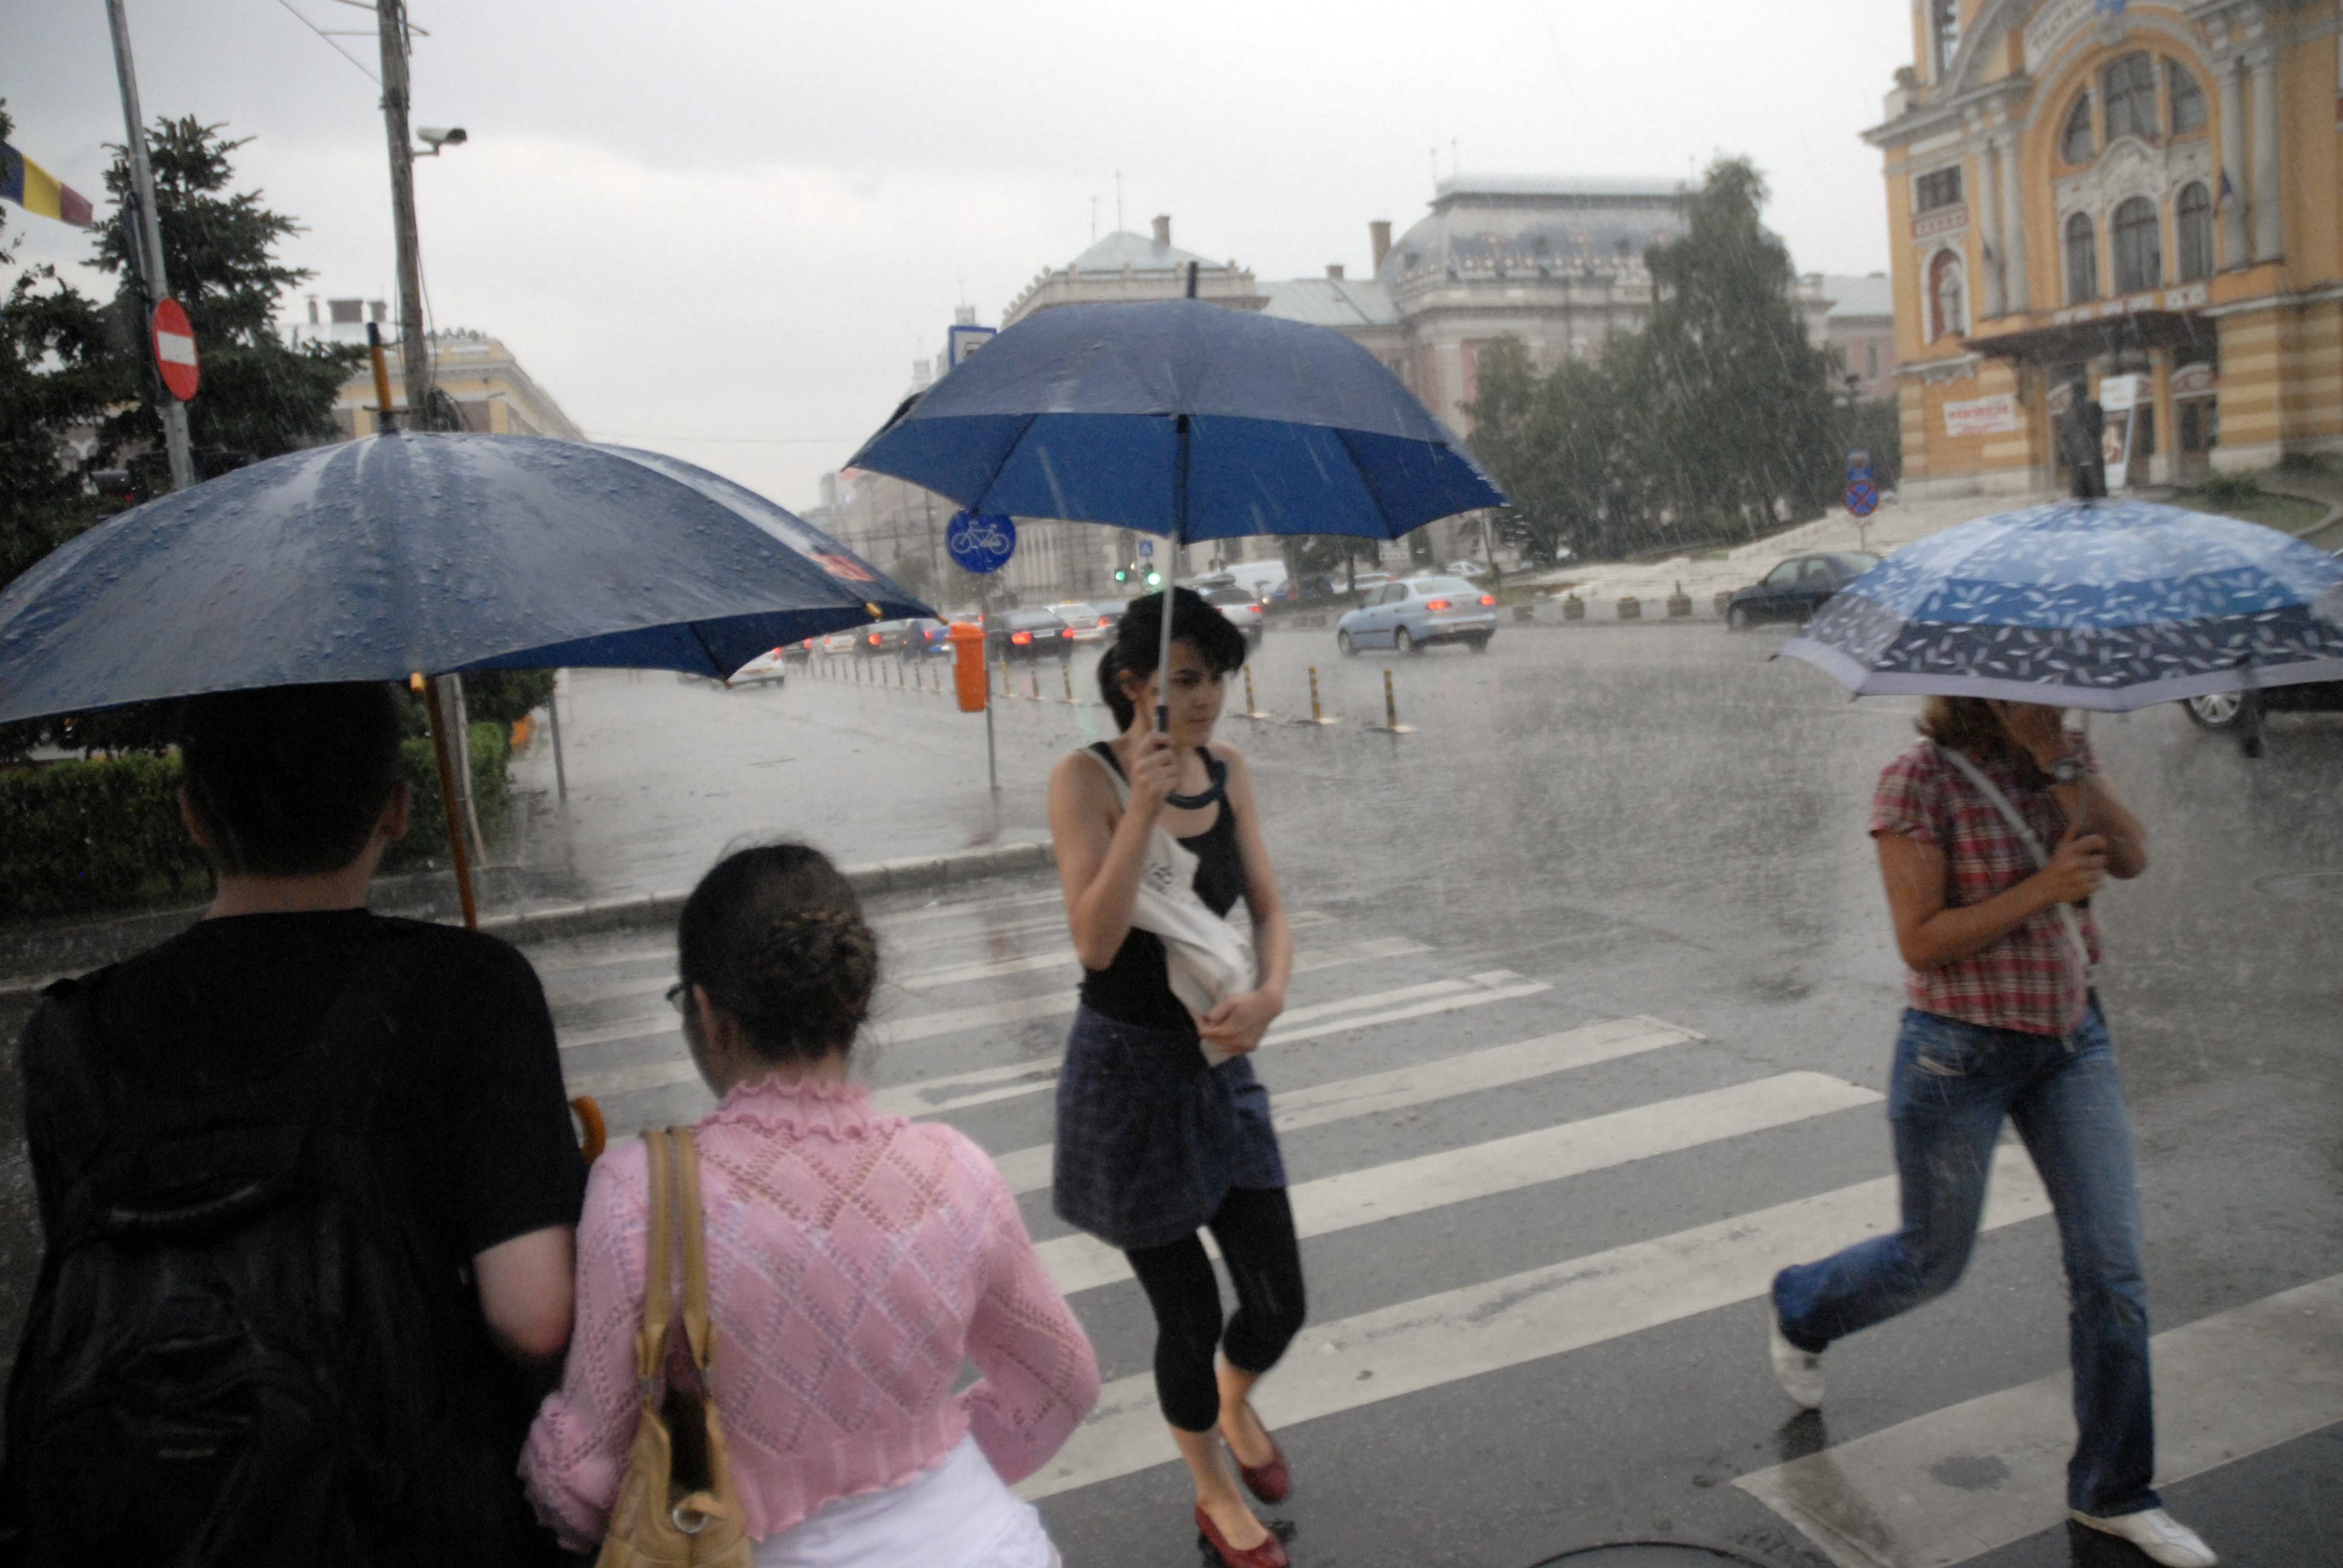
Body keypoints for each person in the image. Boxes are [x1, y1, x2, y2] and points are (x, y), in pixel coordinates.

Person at [1, 682, 585, 1566]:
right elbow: (533, 1315)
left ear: (193, 814)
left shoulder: (71, 1034)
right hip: (404, 1512)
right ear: (395, 808)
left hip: (143, 1518)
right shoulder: (468, 990)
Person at [523, 843, 1099, 1567]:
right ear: (855, 998)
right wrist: (920, 1458)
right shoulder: (958, 1171)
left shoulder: (641, 1193)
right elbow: (1062, 1381)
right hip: (982, 1545)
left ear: (707, 1013)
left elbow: (578, 1482)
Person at [1767, 697, 2215, 1568]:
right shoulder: (1918, 782)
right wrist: (2043, 888)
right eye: (2024, 679)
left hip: (2071, 1042)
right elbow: (1921, 940)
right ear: (1974, 687)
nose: (2047, 692)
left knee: (2112, 1273)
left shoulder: (2063, 757)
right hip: (1956, 1057)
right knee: (1932, 1260)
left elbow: (2131, 857)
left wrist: (2061, 764)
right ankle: (1804, 1304)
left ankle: (2114, 1491)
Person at [1045, 589, 1304, 1568]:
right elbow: (1095, 937)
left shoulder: (1229, 771)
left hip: (1221, 1068)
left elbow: (1271, 911)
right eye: (1184, 681)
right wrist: (1141, 805)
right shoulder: (1085, 780)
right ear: (1132, 684)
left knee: (1277, 1299)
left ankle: (1235, 1400)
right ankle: (1210, 1487)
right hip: (1129, 1082)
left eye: (1216, 678)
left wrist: (1271, 995)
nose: (1206, 701)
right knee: (1188, 1313)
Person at [2058, 378, 2108, 498]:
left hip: (2076, 465)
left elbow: (2064, 441)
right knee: (2098, 501)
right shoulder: (2095, 408)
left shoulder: (2066, 415)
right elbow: (2098, 429)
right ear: (2086, 392)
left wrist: (2069, 457)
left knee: (2079, 504)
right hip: (2093, 462)